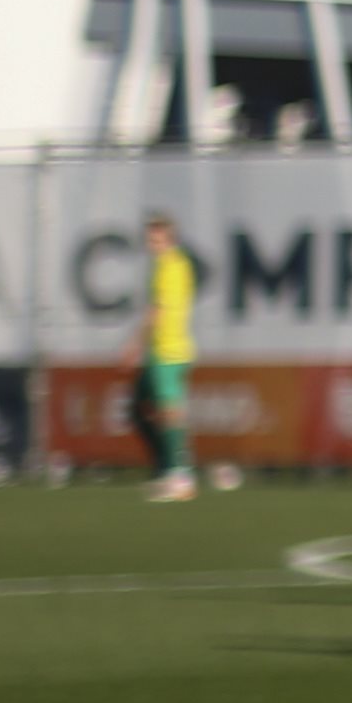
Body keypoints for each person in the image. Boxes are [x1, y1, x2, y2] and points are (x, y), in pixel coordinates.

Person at [131, 211, 198, 502]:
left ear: (169, 239)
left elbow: (158, 311)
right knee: (139, 407)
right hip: (162, 350)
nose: (151, 243)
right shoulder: (169, 265)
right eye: (149, 237)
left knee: (170, 411)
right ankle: (168, 468)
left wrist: (135, 343)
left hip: (168, 351)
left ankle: (180, 476)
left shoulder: (171, 267)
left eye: (156, 238)